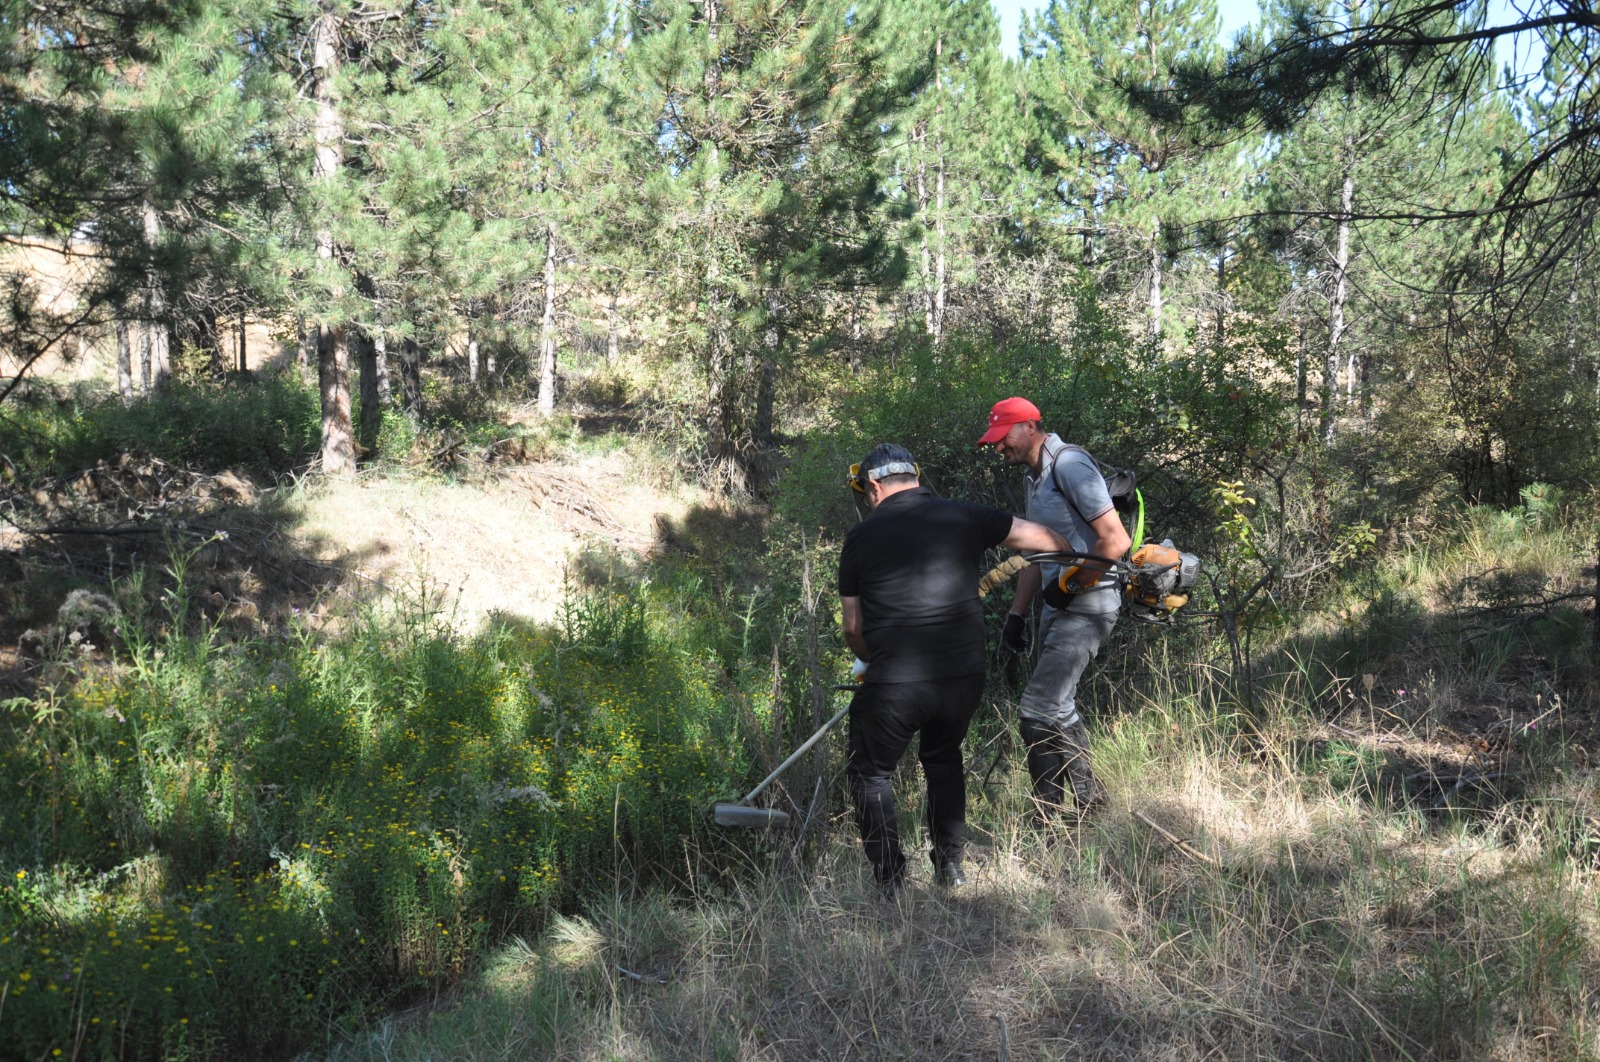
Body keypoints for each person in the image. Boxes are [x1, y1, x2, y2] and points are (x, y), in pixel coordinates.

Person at [838, 443, 1067, 895]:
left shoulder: (861, 538)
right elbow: (1048, 541)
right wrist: (1073, 579)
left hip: (897, 680)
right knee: (943, 760)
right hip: (963, 677)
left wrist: (868, 660)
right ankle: (950, 868)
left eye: (865, 490)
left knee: (871, 773)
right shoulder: (965, 515)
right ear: (916, 478)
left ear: (876, 486)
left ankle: (890, 881)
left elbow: (852, 625)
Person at [978, 397, 1131, 823]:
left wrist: (1075, 584)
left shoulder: (1069, 465)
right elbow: (1036, 552)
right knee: (1057, 705)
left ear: (1028, 426)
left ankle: (1045, 816)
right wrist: (1015, 614)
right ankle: (1090, 803)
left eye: (1002, 438)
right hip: (1059, 602)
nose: (998, 448)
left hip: (1090, 601)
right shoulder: (1035, 477)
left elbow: (1116, 541)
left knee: (1039, 706)